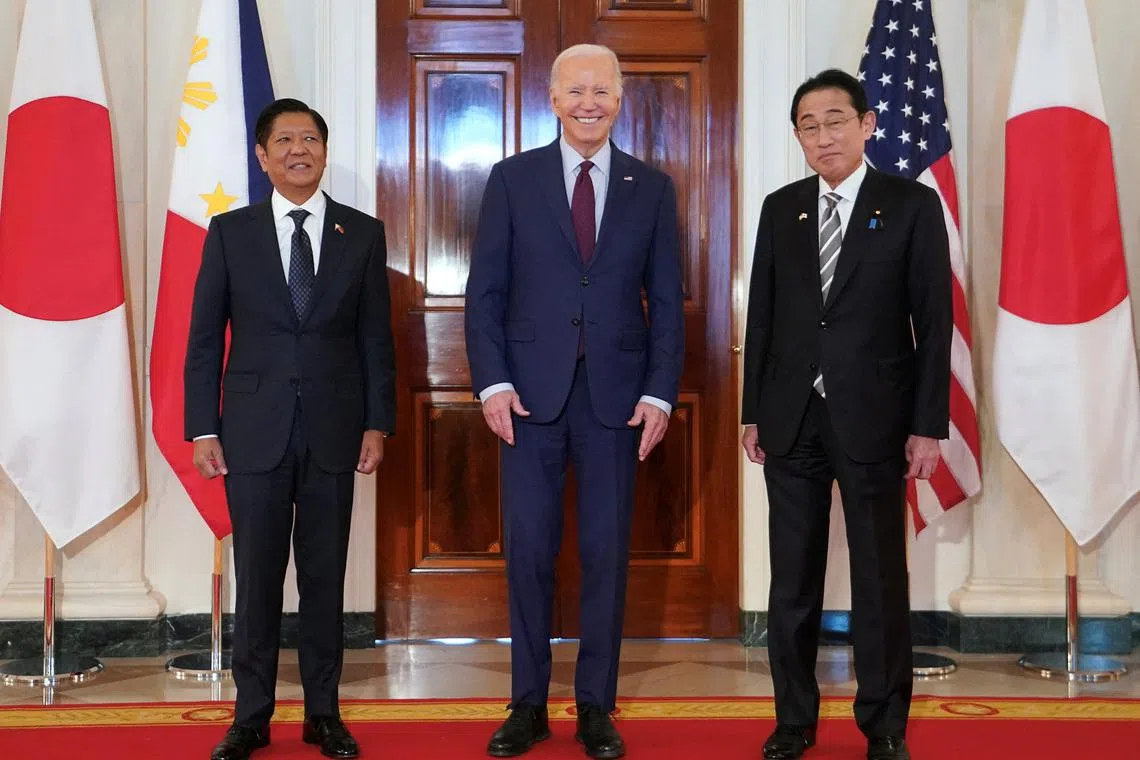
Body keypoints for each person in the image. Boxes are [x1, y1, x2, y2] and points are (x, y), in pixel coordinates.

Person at [464, 43, 684, 759]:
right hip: (527, 397)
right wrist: (492, 382)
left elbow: (669, 307)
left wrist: (659, 393)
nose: (590, 103)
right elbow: (486, 294)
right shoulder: (512, 179)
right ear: (552, 100)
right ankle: (527, 703)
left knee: (605, 552)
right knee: (528, 551)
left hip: (617, 402)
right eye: (576, 91)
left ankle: (596, 705)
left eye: (603, 92)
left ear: (621, 100)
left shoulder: (651, 188)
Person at [740, 69, 952, 760]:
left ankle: (884, 723)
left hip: (876, 419)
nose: (823, 135)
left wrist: (927, 424)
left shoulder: (912, 205)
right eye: (809, 124)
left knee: (878, 581)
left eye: (836, 120)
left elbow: (934, 324)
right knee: (792, 581)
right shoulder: (782, 208)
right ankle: (793, 720)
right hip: (790, 418)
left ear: (866, 125)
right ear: (797, 136)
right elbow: (764, 320)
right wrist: (753, 413)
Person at [185, 98, 396, 760]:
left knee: (325, 576)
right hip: (251, 429)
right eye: (284, 140)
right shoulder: (229, 231)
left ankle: (324, 714)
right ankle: (251, 716)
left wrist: (378, 423)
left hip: (337, 428)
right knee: (259, 575)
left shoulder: (360, 233)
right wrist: (202, 428)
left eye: (310, 138)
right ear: (262, 156)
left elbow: (375, 340)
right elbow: (201, 342)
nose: (298, 149)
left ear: (325, 152)